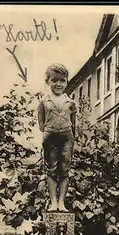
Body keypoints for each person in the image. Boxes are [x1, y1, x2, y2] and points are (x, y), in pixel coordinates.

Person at [37, 63, 76, 212]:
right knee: (51, 169)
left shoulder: (70, 103)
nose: (58, 84)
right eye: (54, 80)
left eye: (62, 80)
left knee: (65, 169)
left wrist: (69, 135)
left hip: (67, 138)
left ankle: (62, 203)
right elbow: (41, 124)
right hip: (50, 138)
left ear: (66, 81)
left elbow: (74, 124)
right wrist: (50, 131)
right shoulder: (44, 102)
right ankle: (53, 202)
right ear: (48, 81)